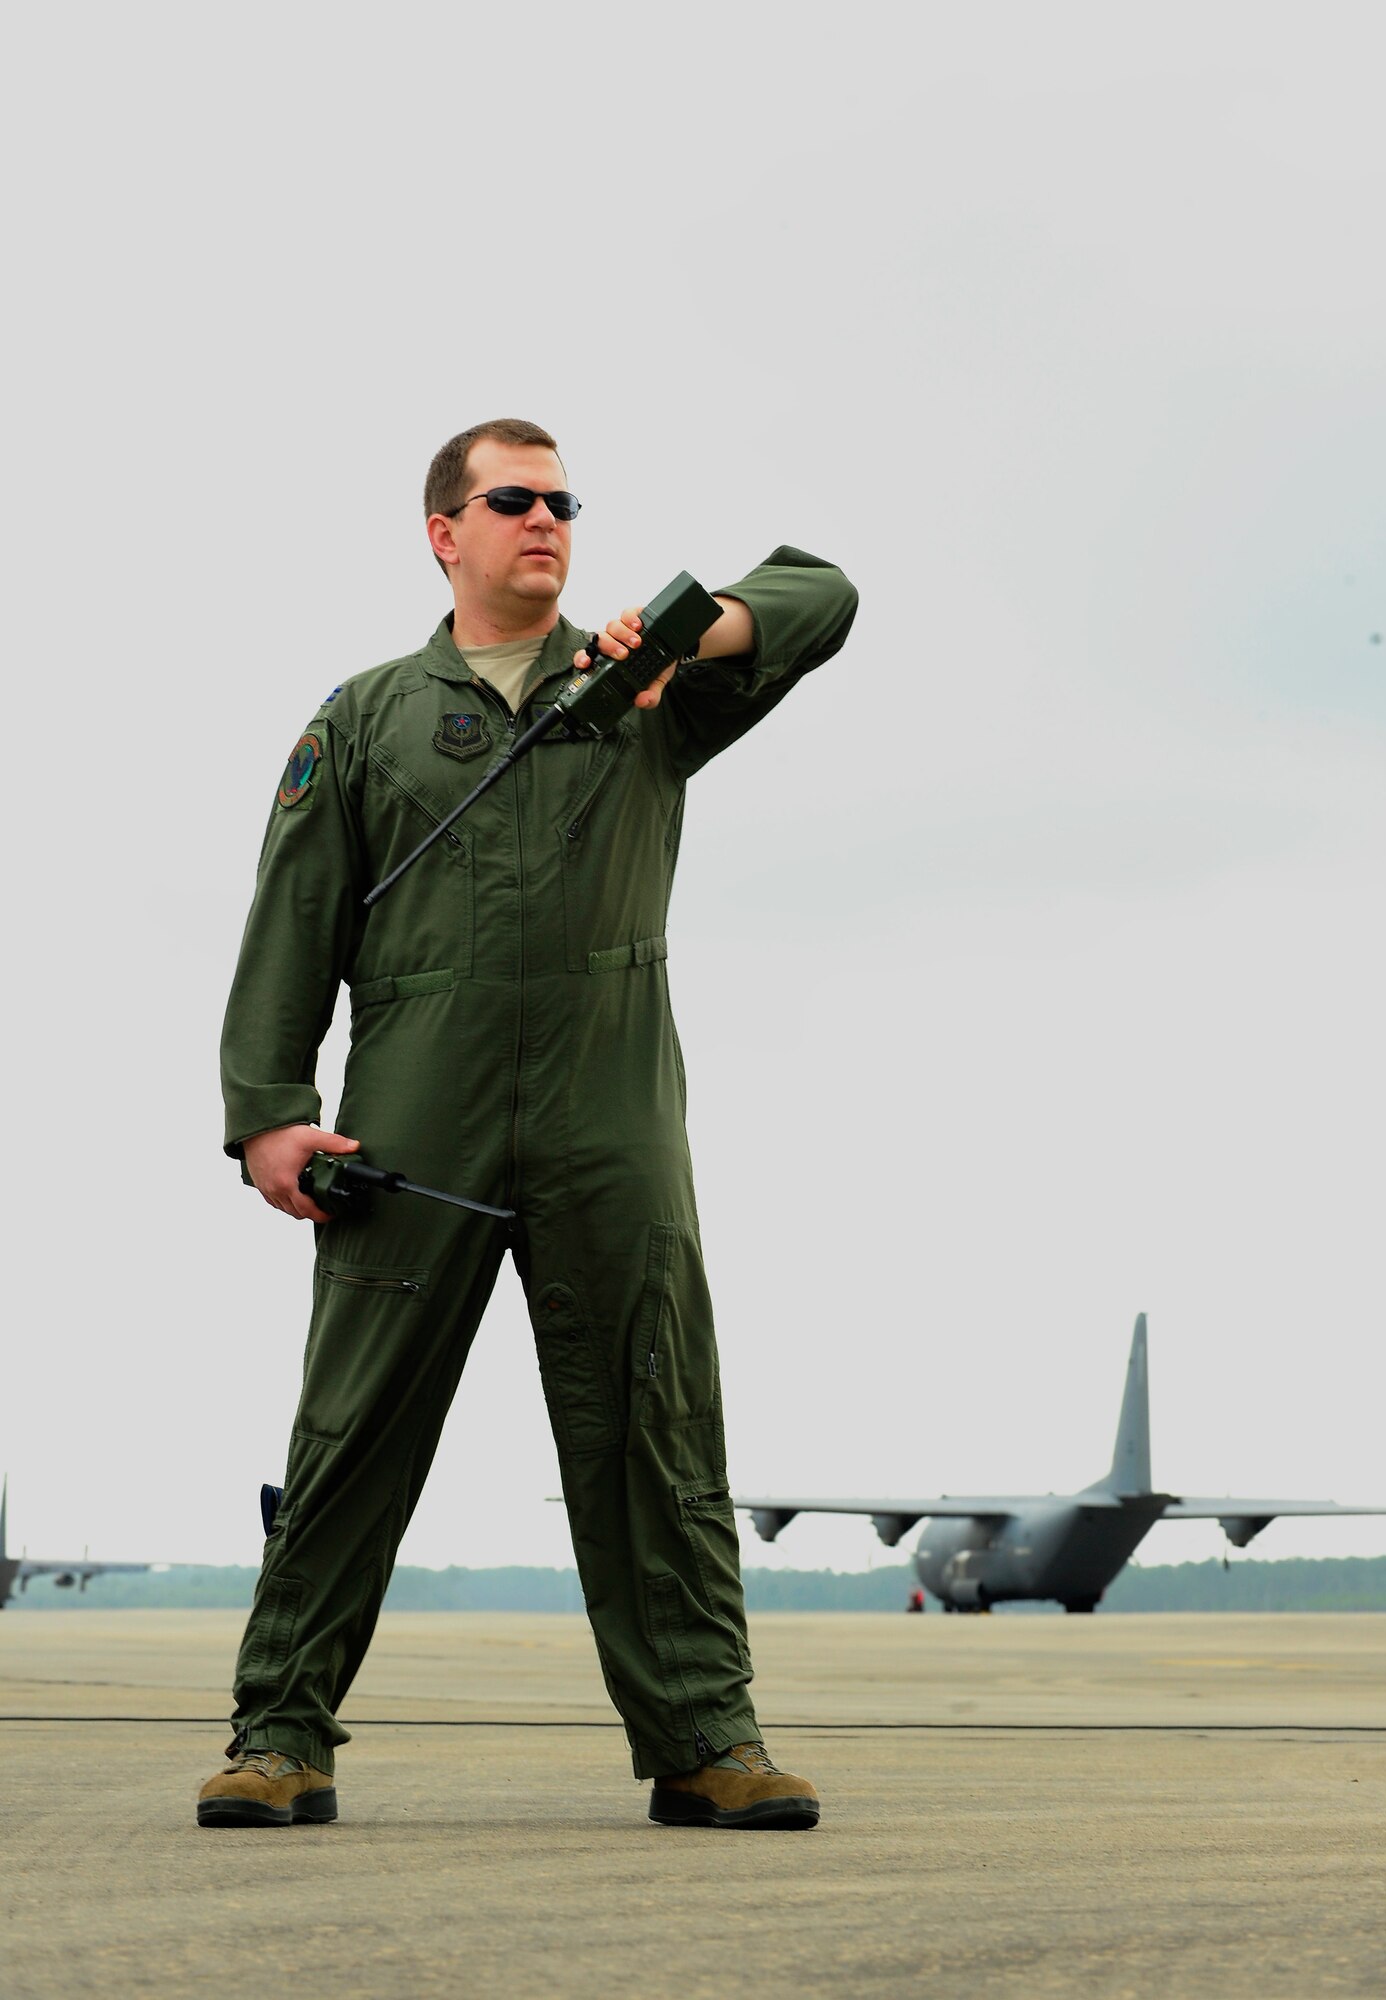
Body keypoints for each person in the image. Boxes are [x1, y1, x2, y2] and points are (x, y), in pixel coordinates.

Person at [198, 417, 857, 1832]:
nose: (545, 520)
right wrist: (268, 1116)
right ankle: (281, 1735)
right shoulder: (367, 716)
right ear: (447, 532)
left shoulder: (649, 690)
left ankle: (704, 1737)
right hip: (414, 1110)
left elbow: (826, 598)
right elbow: (292, 920)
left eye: (563, 501)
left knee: (653, 1413)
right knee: (353, 1422)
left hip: (608, 1100)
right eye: (513, 500)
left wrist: (702, 634)